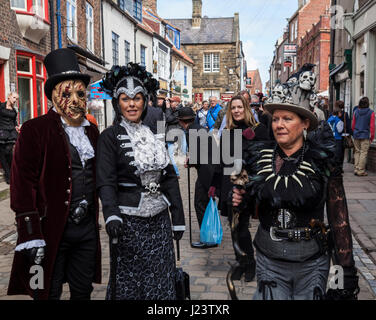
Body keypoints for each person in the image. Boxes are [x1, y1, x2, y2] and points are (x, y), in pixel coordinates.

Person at [232, 72, 359, 300]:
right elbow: (254, 210)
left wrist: (344, 275)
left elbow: (339, 220)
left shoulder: (323, 160)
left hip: (312, 265)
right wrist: (242, 201)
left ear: (305, 123)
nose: (279, 125)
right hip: (269, 261)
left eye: (287, 119)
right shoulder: (259, 158)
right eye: (276, 118)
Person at [7, 48, 102, 300]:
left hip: (85, 233)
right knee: (45, 291)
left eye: (80, 93)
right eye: (66, 93)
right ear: (52, 97)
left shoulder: (92, 132)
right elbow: (22, 183)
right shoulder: (34, 130)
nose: (74, 100)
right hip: (47, 232)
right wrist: (31, 234)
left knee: (83, 291)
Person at [97, 63, 185, 300]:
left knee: (160, 277)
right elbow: (106, 181)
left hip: (160, 223)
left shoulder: (153, 134)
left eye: (137, 98)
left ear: (145, 101)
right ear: (118, 103)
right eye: (125, 99)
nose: (132, 104)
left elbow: (169, 179)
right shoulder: (109, 137)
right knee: (131, 282)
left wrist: (178, 218)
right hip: (128, 224)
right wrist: (111, 214)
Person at [210, 95, 269, 282]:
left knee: (243, 227)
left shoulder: (258, 130)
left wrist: (251, 141)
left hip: (251, 185)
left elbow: (266, 157)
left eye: (239, 107)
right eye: (233, 108)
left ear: (246, 108)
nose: (236, 111)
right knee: (235, 227)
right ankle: (240, 262)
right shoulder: (228, 131)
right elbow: (222, 161)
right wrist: (213, 184)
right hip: (231, 185)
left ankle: (250, 263)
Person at [178, 107, 216, 249]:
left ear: (181, 122)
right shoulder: (202, 129)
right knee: (206, 202)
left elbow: (197, 156)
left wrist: (190, 162)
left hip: (206, 171)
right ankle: (211, 233)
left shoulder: (190, 132)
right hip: (212, 169)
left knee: (199, 203)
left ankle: (207, 238)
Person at [352, 97, 375, 176]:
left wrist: (354, 132)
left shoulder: (356, 112)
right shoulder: (371, 113)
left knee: (357, 152)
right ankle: (360, 170)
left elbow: (353, 124)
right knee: (363, 152)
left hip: (356, 134)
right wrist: (372, 136)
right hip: (365, 135)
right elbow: (372, 126)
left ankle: (356, 168)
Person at [0, 92, 19, 184]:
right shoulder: (1, 107)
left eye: (17, 99)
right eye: (14, 98)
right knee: (2, 154)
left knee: (8, 152)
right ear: (9, 97)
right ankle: (8, 175)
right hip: (2, 132)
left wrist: (16, 126)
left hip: (11, 132)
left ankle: (11, 173)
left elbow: (14, 121)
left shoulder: (14, 110)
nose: (15, 100)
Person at [165, 96, 184, 178]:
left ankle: (176, 173)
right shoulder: (173, 110)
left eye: (172, 101)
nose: (170, 103)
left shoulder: (179, 111)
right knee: (170, 155)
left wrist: (168, 108)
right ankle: (175, 173)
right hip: (171, 134)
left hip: (173, 135)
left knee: (170, 155)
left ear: (177, 103)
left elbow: (168, 118)